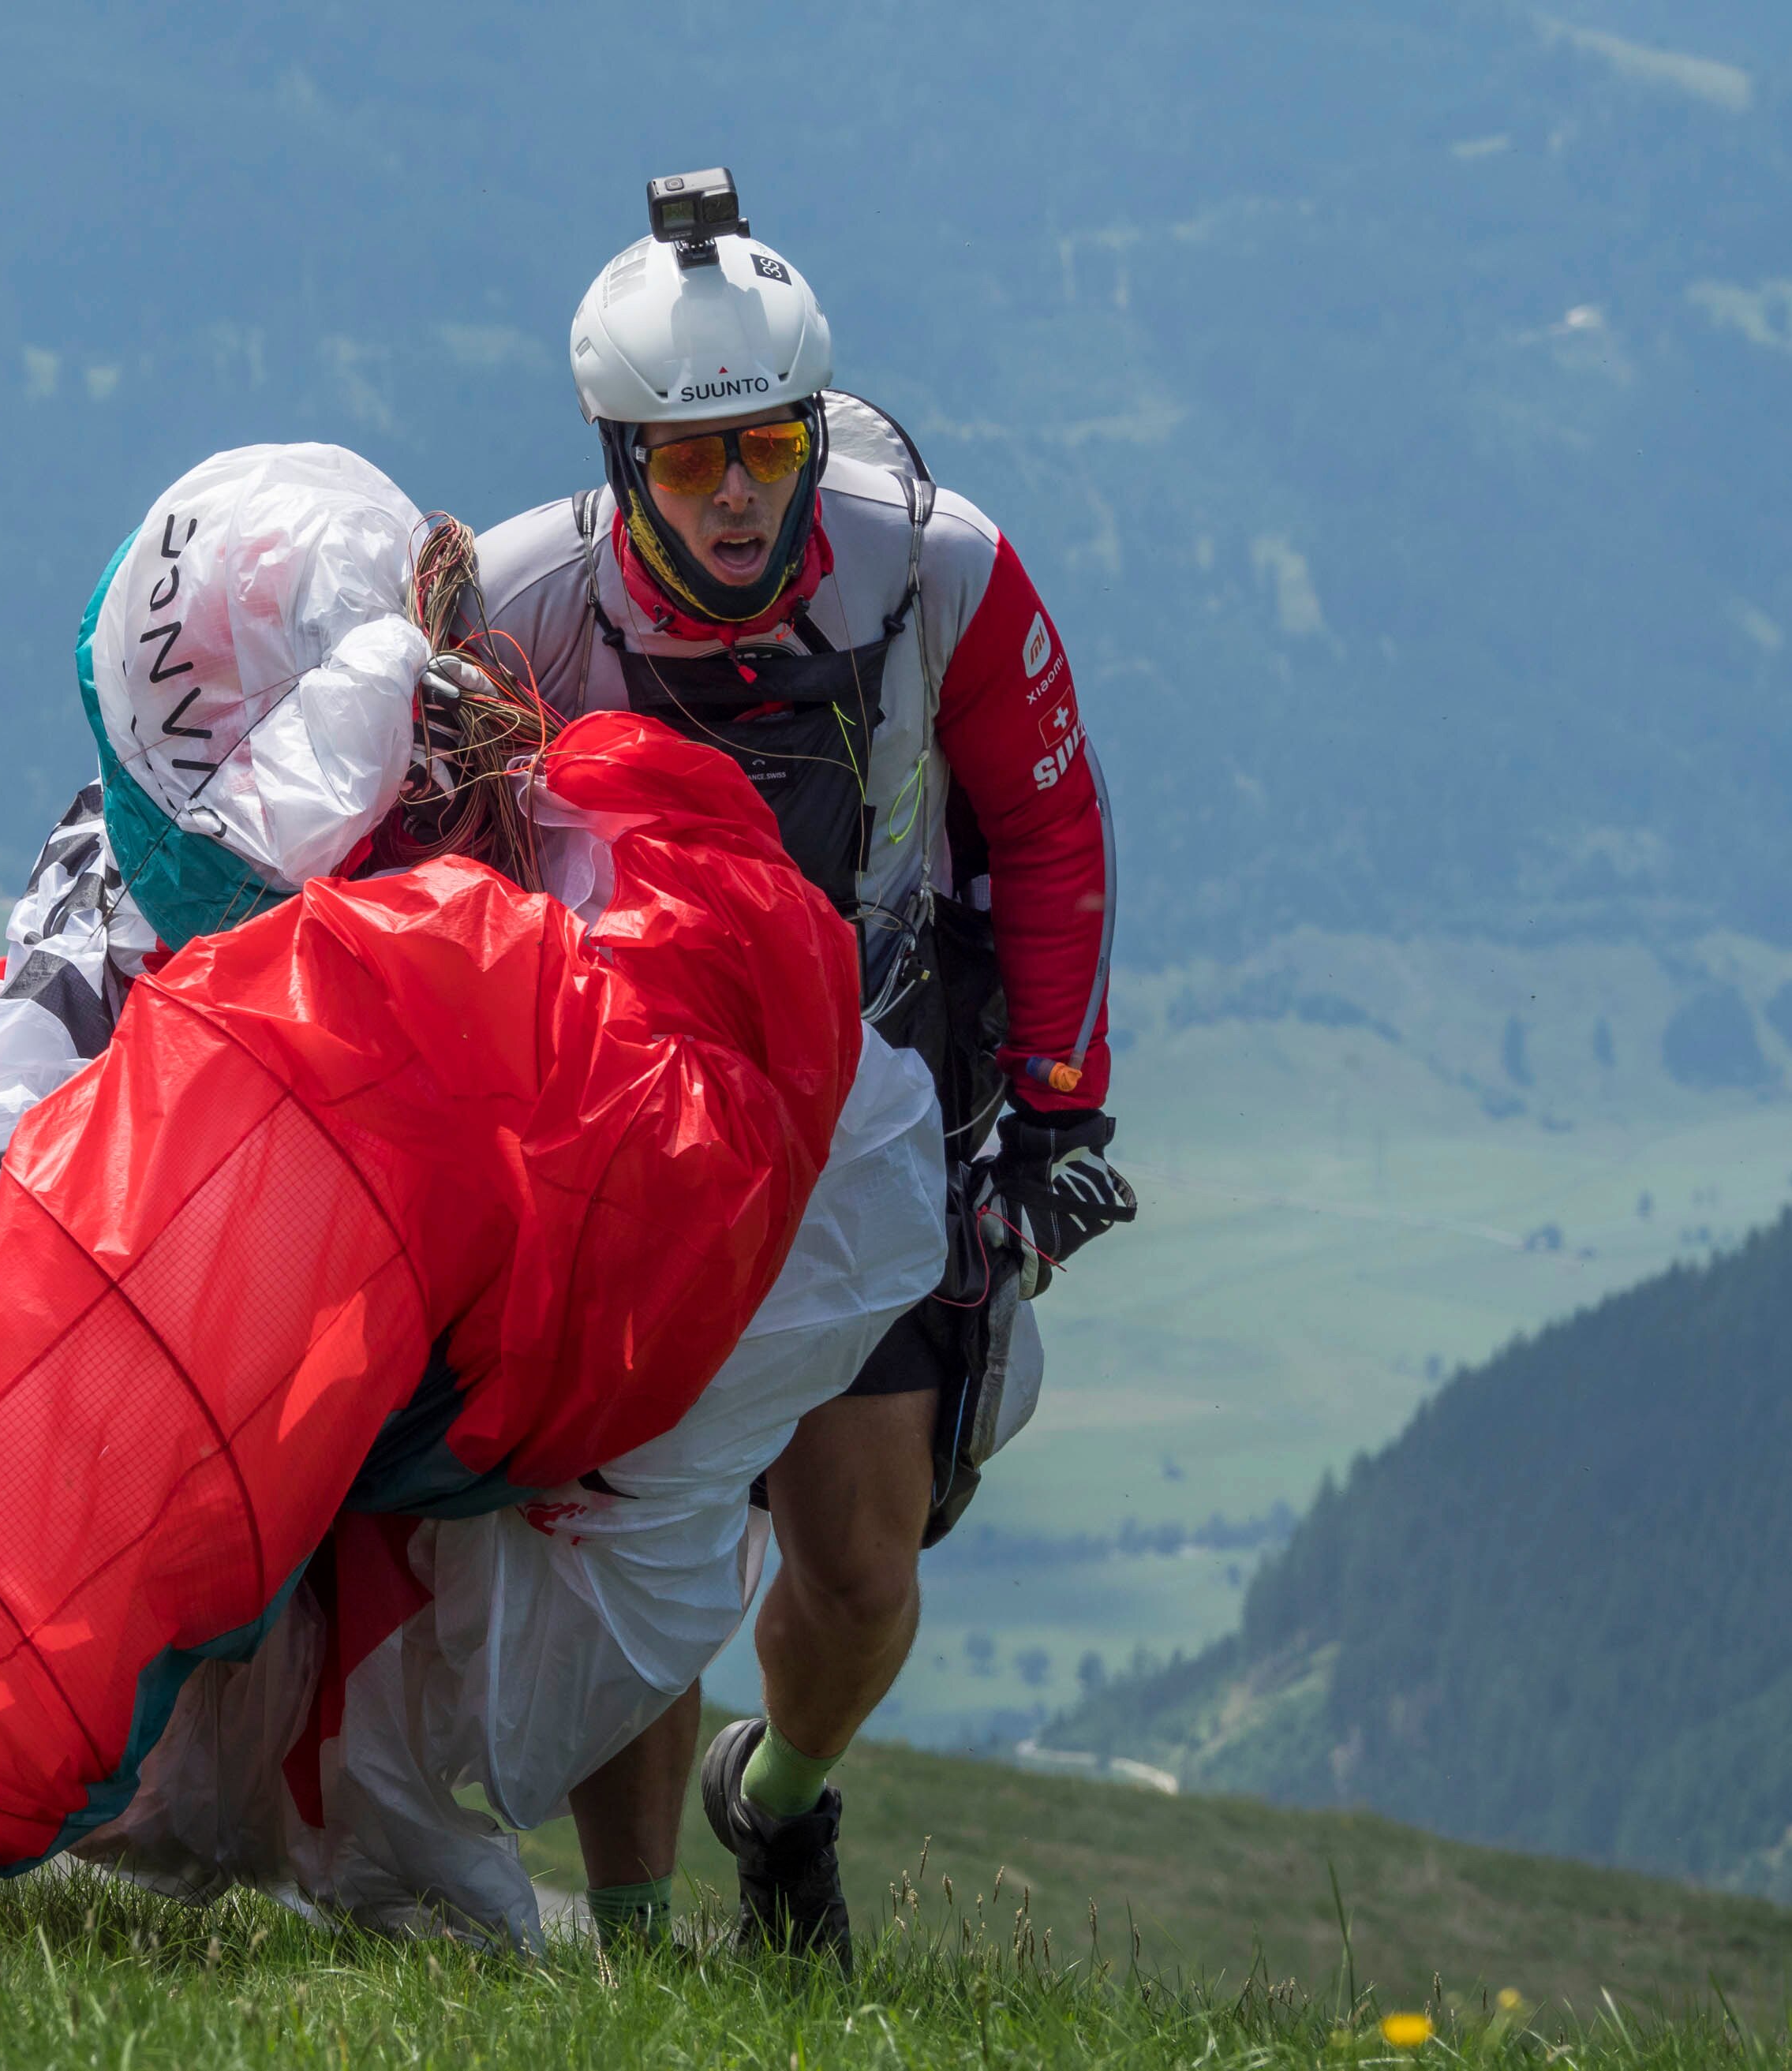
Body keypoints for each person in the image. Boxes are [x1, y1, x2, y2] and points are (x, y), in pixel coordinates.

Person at [461, 173, 1137, 1964]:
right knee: (645, 1547)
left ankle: (773, 1804)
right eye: (689, 464)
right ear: (621, 464)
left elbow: (1049, 832)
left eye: (766, 442)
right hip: (638, 1122)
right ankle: (629, 1958)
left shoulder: (943, 568)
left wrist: (1060, 1108)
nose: (741, 491)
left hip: (882, 1095)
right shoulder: (522, 606)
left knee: (858, 1561)